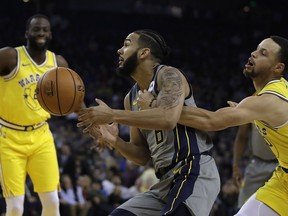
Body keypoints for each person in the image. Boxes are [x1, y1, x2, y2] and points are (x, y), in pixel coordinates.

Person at [139, 35, 287, 216]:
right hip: (283, 179)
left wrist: (157, 106)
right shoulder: (267, 95)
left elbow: (211, 121)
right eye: (256, 49)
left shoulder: (268, 100)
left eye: (263, 53)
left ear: (278, 67)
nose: (253, 54)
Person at [77, 29, 221, 215]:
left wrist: (112, 115)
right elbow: (142, 155)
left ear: (144, 52)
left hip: (193, 169)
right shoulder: (131, 98)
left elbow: (168, 118)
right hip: (164, 182)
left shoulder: (168, 75)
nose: (119, 50)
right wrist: (116, 141)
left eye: (127, 44)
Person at [0, 14, 68, 216]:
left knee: (53, 203)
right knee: (14, 207)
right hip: (9, 137)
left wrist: (94, 127)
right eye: (36, 29)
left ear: (50, 34)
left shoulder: (58, 62)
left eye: (45, 30)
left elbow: (74, 99)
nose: (41, 33)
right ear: (26, 33)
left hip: (41, 136)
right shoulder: (10, 56)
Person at [232, 123, 278, 209]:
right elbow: (241, 137)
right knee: (244, 207)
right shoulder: (251, 110)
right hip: (257, 163)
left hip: (283, 164)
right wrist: (235, 165)